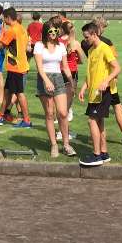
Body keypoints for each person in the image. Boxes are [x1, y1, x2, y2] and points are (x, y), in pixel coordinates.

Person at [78, 21, 120, 167]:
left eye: (87, 37)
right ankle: (103, 152)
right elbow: (90, 72)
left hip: (102, 92)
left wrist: (106, 81)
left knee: (92, 121)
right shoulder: (90, 51)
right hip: (92, 93)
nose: (85, 40)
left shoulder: (104, 48)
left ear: (95, 34)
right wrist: (84, 87)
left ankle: (96, 155)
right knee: (99, 121)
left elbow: (117, 68)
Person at [34, 23, 75, 157]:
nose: (53, 33)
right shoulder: (39, 46)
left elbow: (65, 66)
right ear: (46, 32)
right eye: (50, 31)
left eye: (55, 31)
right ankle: (54, 145)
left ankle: (66, 144)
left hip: (58, 78)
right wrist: (46, 81)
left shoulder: (61, 46)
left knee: (63, 113)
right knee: (50, 113)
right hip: (44, 78)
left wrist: (71, 81)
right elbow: (39, 67)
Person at [0, 6, 31, 127]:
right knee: (7, 92)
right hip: (20, 64)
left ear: (8, 18)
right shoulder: (21, 28)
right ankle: (0, 116)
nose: (4, 21)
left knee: (19, 94)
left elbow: (1, 45)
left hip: (16, 67)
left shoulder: (12, 30)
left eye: (4, 19)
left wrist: (2, 32)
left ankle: (27, 120)